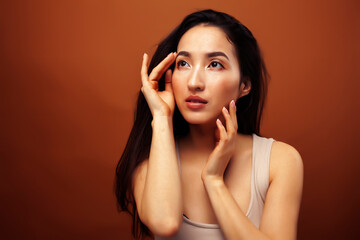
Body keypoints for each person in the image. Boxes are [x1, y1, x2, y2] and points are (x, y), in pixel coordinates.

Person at [115, 9, 303, 240]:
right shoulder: (150, 160)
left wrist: (214, 182)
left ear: (244, 84)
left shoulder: (280, 161)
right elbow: (164, 224)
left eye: (214, 64)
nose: (194, 82)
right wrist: (161, 118)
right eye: (183, 63)